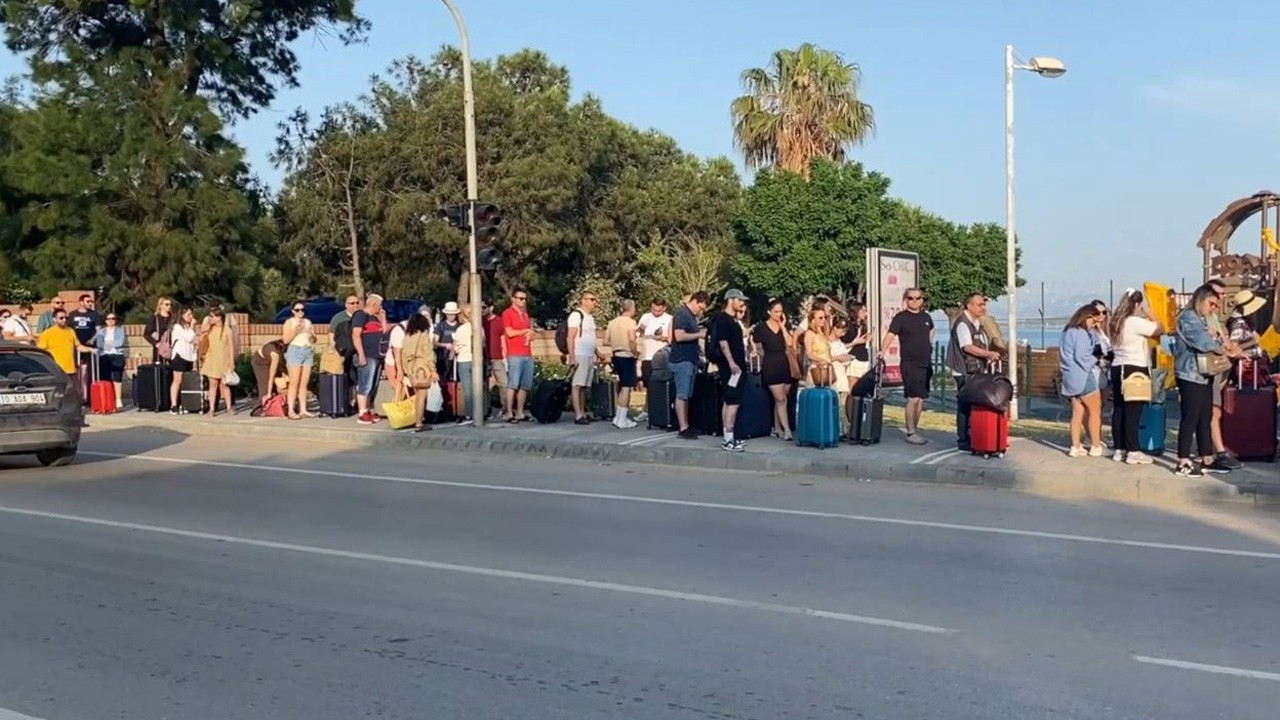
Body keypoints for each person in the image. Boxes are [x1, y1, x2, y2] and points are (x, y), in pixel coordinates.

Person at [1173, 285, 1241, 477]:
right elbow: (1203, 343)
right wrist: (1227, 351)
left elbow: (1213, 338)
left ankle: (1206, 458)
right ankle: (1183, 460)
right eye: (1211, 303)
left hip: (1204, 375)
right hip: (1189, 374)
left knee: (1205, 417)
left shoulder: (1201, 319)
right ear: (1201, 299)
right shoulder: (1188, 318)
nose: (1213, 308)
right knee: (1190, 417)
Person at [1107, 289, 1163, 464]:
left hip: (1118, 367)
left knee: (1119, 409)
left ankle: (1119, 448)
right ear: (1137, 304)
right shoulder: (1134, 322)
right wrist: (1152, 315)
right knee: (1133, 411)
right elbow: (1159, 329)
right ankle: (1133, 450)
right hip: (1135, 368)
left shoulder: (1116, 322)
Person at [946, 293, 1001, 452]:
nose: (982, 307)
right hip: (964, 371)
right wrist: (988, 354)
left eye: (983, 304)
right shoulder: (963, 324)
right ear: (968, 306)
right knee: (964, 405)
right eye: (979, 305)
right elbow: (968, 347)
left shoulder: (979, 324)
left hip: (976, 370)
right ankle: (963, 440)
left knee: (973, 406)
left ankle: (975, 438)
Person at [881, 288, 935, 445]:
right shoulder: (901, 318)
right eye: (911, 298)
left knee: (921, 399)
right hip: (909, 363)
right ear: (906, 299)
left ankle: (915, 429)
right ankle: (910, 432)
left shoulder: (926, 317)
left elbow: (931, 331)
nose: (914, 301)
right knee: (913, 398)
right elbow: (890, 335)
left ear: (922, 300)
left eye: (918, 298)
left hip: (925, 363)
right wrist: (881, 352)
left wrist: (928, 346)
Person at [1202, 279, 1243, 470]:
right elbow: (1213, 342)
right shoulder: (1202, 317)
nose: (1223, 298)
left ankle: (1213, 451)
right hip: (1207, 370)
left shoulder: (1214, 316)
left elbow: (1223, 339)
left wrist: (1233, 348)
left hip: (1216, 370)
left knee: (1213, 412)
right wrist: (1230, 351)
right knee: (1213, 411)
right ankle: (1217, 452)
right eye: (1220, 294)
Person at [1059, 304, 1106, 457]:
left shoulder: (1067, 331)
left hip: (1069, 376)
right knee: (1095, 411)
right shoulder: (1080, 334)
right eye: (1093, 320)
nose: (1095, 323)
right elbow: (1082, 356)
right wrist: (1097, 359)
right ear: (1087, 317)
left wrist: (1094, 330)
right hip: (1084, 375)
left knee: (1078, 411)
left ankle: (1076, 446)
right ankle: (1096, 445)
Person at [711, 290, 749, 452]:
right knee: (733, 401)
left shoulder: (732, 320)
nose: (742, 304)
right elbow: (723, 342)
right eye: (739, 300)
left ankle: (729, 437)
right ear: (730, 300)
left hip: (736, 366)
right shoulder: (723, 319)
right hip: (732, 367)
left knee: (729, 400)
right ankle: (728, 439)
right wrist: (732, 362)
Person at [753, 299, 795, 441]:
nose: (778, 314)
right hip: (770, 363)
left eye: (780, 311)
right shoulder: (762, 327)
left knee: (782, 399)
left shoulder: (784, 326)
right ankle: (787, 429)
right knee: (780, 398)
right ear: (769, 312)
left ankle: (777, 428)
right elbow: (754, 341)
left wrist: (783, 327)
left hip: (784, 363)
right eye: (776, 311)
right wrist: (755, 354)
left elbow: (790, 343)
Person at [670, 291, 710, 439]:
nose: (701, 311)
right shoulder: (681, 314)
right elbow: (679, 336)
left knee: (687, 394)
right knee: (682, 394)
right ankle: (683, 426)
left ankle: (686, 424)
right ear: (694, 301)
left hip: (690, 359)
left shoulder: (692, 316)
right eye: (700, 308)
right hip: (682, 359)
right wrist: (699, 334)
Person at [566, 292, 607, 425]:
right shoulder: (576, 315)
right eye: (592, 299)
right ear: (583, 300)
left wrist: (598, 352)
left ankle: (583, 412)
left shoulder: (590, 317)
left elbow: (591, 338)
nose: (594, 302)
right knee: (577, 384)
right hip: (580, 354)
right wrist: (572, 357)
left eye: (595, 300)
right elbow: (570, 337)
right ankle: (578, 414)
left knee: (584, 385)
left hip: (589, 354)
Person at [399, 313, 438, 433]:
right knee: (422, 397)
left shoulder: (407, 336)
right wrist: (433, 370)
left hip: (411, 368)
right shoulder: (423, 335)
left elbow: (403, 354)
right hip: (422, 367)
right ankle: (419, 422)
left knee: (417, 396)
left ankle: (418, 419)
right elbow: (428, 354)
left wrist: (406, 370)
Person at [351, 294, 387, 425]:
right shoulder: (361, 315)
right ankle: (362, 412)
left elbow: (384, 334)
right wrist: (361, 355)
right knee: (365, 384)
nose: (381, 307)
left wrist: (383, 319)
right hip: (367, 355)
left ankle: (369, 409)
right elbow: (356, 335)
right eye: (380, 305)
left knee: (373, 385)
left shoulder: (375, 318)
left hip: (377, 355)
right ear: (373, 304)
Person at [502, 289, 535, 422]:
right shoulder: (507, 313)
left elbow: (527, 333)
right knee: (513, 384)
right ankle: (509, 412)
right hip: (515, 354)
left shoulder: (525, 314)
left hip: (527, 353)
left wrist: (529, 333)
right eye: (520, 298)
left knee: (525, 385)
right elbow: (509, 333)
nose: (523, 301)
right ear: (513, 299)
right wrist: (526, 331)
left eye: (525, 299)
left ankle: (520, 412)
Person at [606, 300, 640, 429]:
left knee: (622, 386)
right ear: (632, 309)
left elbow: (606, 340)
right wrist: (635, 352)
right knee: (627, 387)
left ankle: (618, 417)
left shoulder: (612, 322)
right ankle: (622, 419)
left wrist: (617, 343)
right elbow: (632, 339)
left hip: (616, 356)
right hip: (627, 356)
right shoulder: (631, 322)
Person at [282, 300, 317, 419]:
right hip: (295, 350)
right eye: (297, 310)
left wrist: (311, 335)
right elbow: (286, 340)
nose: (300, 312)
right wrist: (296, 330)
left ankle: (303, 409)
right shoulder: (289, 322)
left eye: (302, 310)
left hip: (307, 351)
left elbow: (313, 338)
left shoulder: (308, 322)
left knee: (304, 383)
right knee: (294, 382)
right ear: (293, 311)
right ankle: (291, 410)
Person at [201, 308, 236, 417]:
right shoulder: (210, 329)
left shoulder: (227, 330)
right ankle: (211, 409)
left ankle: (229, 407)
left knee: (225, 385)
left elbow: (230, 346)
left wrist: (232, 361)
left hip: (224, 360)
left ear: (219, 317)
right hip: (212, 359)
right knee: (213, 384)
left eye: (213, 316)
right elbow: (203, 341)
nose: (210, 319)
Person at [453, 306, 482, 424]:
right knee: (478, 388)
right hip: (477, 360)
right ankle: (479, 411)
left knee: (468, 389)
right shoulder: (480, 328)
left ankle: (470, 414)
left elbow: (456, 347)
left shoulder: (460, 329)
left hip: (463, 359)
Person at [636, 299, 672, 390]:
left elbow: (672, 339)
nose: (655, 313)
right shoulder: (646, 317)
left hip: (662, 357)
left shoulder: (669, 319)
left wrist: (662, 338)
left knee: (661, 385)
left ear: (664, 308)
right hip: (647, 356)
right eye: (653, 310)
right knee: (648, 383)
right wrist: (640, 329)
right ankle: (649, 403)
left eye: (658, 311)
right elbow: (637, 334)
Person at [168, 308, 199, 414]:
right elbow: (189, 338)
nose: (191, 316)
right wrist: (193, 326)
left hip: (188, 356)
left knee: (185, 381)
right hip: (179, 356)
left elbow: (194, 340)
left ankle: (184, 403)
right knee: (177, 380)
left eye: (191, 314)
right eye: (188, 314)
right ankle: (173, 405)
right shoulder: (177, 327)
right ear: (182, 315)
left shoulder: (188, 328)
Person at [95, 312, 128, 410]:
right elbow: (99, 344)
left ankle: (118, 399)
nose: (111, 320)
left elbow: (120, 342)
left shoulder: (120, 330)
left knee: (117, 378)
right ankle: (108, 399)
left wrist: (107, 343)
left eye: (113, 318)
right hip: (105, 355)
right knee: (105, 378)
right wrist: (110, 344)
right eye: (108, 319)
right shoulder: (101, 331)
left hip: (117, 355)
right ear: (105, 320)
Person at [37, 309, 84, 375]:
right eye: (61, 318)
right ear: (54, 319)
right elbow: (41, 351)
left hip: (71, 370)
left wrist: (91, 349)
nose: (64, 320)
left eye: (66, 318)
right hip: (56, 371)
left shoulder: (70, 331)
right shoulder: (47, 333)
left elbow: (78, 346)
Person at [482, 301, 506, 419]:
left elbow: (503, 337)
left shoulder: (499, 321)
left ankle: (505, 408)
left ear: (491, 308)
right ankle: (486, 410)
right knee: (484, 385)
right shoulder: (479, 321)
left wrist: (505, 355)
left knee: (504, 383)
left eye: (484, 307)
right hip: (483, 357)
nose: (481, 309)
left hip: (497, 357)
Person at [67, 293, 102, 369]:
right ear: (81, 302)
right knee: (75, 365)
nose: (90, 303)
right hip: (75, 345)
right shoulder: (72, 314)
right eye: (88, 301)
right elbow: (68, 330)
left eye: (91, 301)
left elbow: (99, 330)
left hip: (89, 345)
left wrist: (92, 339)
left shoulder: (94, 314)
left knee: (89, 366)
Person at [250, 339, 287, 411]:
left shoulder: (282, 353)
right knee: (265, 385)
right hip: (260, 362)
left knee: (278, 385)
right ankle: (260, 407)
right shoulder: (275, 355)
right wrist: (269, 393)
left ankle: (276, 406)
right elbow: (271, 375)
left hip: (269, 360)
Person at [143, 297, 175, 363]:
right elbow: (147, 334)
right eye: (167, 304)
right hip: (159, 350)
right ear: (161, 305)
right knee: (159, 369)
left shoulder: (173, 319)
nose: (169, 306)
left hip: (171, 348)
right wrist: (156, 343)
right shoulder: (155, 318)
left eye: (170, 304)